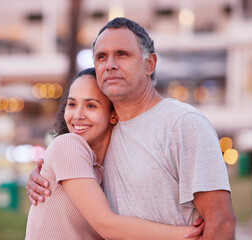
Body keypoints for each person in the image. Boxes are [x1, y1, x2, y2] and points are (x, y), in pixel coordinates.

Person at [28, 18, 236, 240]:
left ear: (150, 64)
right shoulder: (102, 133)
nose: (110, 64)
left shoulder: (182, 123)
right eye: (101, 57)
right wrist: (43, 174)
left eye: (122, 54)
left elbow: (221, 223)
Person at [25, 68, 203, 240]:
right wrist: (191, 235)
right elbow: (107, 226)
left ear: (113, 115)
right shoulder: (67, 145)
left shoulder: (113, 164)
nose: (77, 115)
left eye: (91, 105)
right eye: (72, 104)